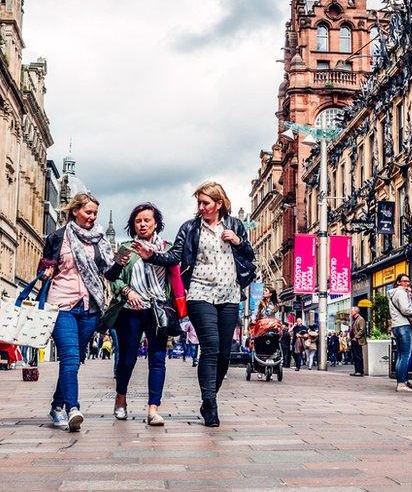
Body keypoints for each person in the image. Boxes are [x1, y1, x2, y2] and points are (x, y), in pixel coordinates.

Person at [133, 182, 255, 428]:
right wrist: (151, 256)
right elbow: (175, 256)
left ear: (219, 204)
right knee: (209, 347)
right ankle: (209, 402)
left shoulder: (235, 225)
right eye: (198, 203)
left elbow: (249, 255)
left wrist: (238, 241)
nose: (200, 207)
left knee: (223, 353)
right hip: (199, 293)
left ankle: (210, 395)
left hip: (230, 294)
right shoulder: (190, 228)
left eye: (205, 203)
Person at [39, 192, 115, 432]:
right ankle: (73, 408)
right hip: (62, 304)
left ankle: (56, 405)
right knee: (70, 358)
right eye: (88, 212)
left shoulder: (99, 241)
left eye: (95, 213)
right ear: (75, 211)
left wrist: (120, 263)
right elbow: (44, 267)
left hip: (90, 308)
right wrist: (46, 272)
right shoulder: (58, 238)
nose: (92, 217)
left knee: (76, 360)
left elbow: (109, 274)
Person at [104, 203, 176, 427]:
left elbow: (175, 274)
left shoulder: (167, 247)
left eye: (147, 220)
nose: (143, 224)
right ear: (132, 224)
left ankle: (153, 409)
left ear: (156, 223)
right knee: (127, 358)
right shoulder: (126, 248)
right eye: (138, 221)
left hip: (157, 311)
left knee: (157, 360)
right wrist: (127, 291)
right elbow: (112, 277)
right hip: (130, 311)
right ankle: (121, 398)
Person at [388, 273, 412, 393]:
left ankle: (402, 381)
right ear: (399, 282)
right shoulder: (401, 293)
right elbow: (405, 310)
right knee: (405, 355)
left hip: (397, 326)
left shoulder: (394, 293)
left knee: (401, 356)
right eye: (404, 281)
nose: (407, 283)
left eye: (408, 281)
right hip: (403, 326)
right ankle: (401, 383)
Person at [349, 307, 367, 376]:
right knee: (355, 356)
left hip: (357, 340)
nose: (351, 312)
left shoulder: (360, 319)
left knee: (358, 356)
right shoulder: (355, 319)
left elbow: (362, 330)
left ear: (356, 312)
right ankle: (357, 370)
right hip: (354, 340)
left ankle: (360, 371)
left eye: (352, 311)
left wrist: (355, 337)